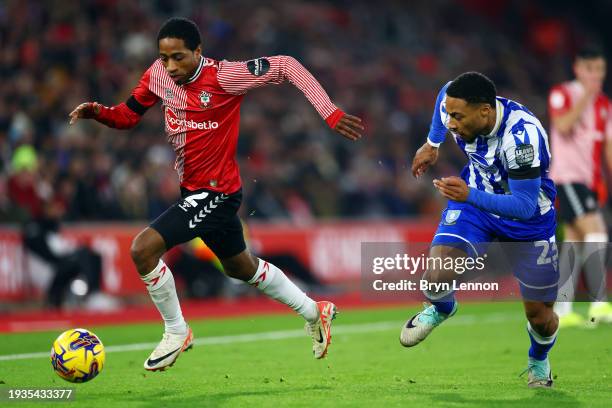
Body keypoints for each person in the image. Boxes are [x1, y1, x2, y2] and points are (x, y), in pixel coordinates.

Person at [69, 17, 363, 371]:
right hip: (196, 191)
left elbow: (285, 65)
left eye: (178, 57)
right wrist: (100, 113)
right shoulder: (157, 76)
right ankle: (316, 312)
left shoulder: (225, 77)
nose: (170, 66)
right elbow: (128, 116)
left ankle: (176, 331)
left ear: (198, 52)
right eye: (164, 58)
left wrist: (328, 112)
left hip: (217, 192)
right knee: (241, 268)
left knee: (142, 249)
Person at [402, 72, 558, 388]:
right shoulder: (456, 102)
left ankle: (538, 361)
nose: (452, 123)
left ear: (484, 111)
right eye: (450, 115)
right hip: (475, 203)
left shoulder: (521, 138)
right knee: (438, 271)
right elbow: (445, 93)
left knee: (540, 318)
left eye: (458, 117)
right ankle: (442, 308)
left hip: (528, 220)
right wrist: (432, 143)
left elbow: (525, 206)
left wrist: (467, 194)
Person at [548, 45, 612, 328]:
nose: (595, 76)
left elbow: (608, 149)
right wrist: (586, 95)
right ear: (578, 69)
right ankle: (600, 305)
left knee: (573, 240)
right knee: (596, 232)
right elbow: (562, 126)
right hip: (566, 177)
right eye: (590, 70)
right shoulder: (562, 94)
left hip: (588, 182)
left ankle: (562, 309)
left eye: (600, 70)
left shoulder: (606, 106)